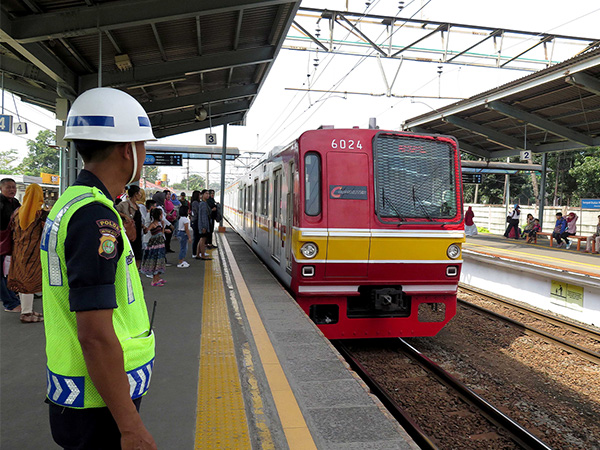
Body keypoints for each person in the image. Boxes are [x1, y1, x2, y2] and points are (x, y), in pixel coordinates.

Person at [41, 87, 157, 449]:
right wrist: (131, 426)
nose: (144, 153)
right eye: (142, 145)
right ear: (127, 149)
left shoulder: (73, 202)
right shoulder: (94, 217)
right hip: (98, 404)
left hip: (88, 395)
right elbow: (94, 334)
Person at [7, 183, 47, 323]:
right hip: (33, 253)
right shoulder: (39, 214)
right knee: (29, 281)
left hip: (18, 251)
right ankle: (26, 314)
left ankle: (26, 310)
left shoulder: (17, 211)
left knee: (23, 281)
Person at [0, 177, 22, 313]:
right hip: (2, 243)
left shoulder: (15, 202)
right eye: (8, 187)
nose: (12, 190)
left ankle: (12, 299)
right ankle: (9, 303)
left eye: (13, 187)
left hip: (9, 243)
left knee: (7, 273)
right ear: (1, 189)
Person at [116, 185, 144, 268]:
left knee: (138, 255)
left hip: (137, 234)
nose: (140, 195)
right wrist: (125, 216)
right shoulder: (124, 204)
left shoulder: (137, 206)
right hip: (129, 234)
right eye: (139, 193)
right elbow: (114, 210)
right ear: (135, 194)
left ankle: (136, 272)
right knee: (130, 255)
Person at [141, 207, 168, 286]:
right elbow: (146, 231)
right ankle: (154, 280)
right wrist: (144, 228)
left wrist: (163, 227)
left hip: (160, 244)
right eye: (161, 214)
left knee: (159, 260)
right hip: (155, 244)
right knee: (155, 260)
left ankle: (157, 278)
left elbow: (161, 233)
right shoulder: (152, 224)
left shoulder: (159, 224)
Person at [196, 189, 212, 260]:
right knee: (203, 239)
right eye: (206, 194)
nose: (208, 195)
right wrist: (204, 227)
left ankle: (198, 254)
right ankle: (202, 255)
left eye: (208, 194)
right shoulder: (203, 204)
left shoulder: (204, 203)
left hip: (203, 225)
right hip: (204, 225)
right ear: (202, 195)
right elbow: (203, 216)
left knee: (201, 239)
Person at [190, 190, 201, 258]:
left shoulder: (194, 202)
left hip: (195, 221)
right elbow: (198, 211)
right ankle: (194, 253)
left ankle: (197, 252)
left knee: (197, 238)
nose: (200, 196)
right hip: (195, 221)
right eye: (199, 195)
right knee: (196, 238)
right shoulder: (195, 203)